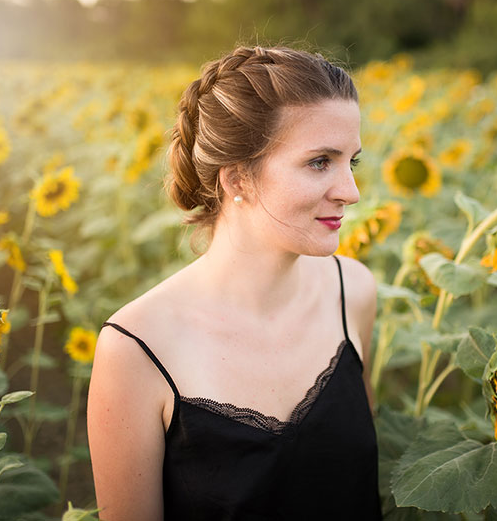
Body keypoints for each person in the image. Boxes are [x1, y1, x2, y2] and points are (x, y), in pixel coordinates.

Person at [87, 45, 383, 520]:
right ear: (238, 179)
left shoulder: (354, 291)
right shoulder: (137, 349)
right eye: (319, 162)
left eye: (353, 161)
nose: (351, 191)